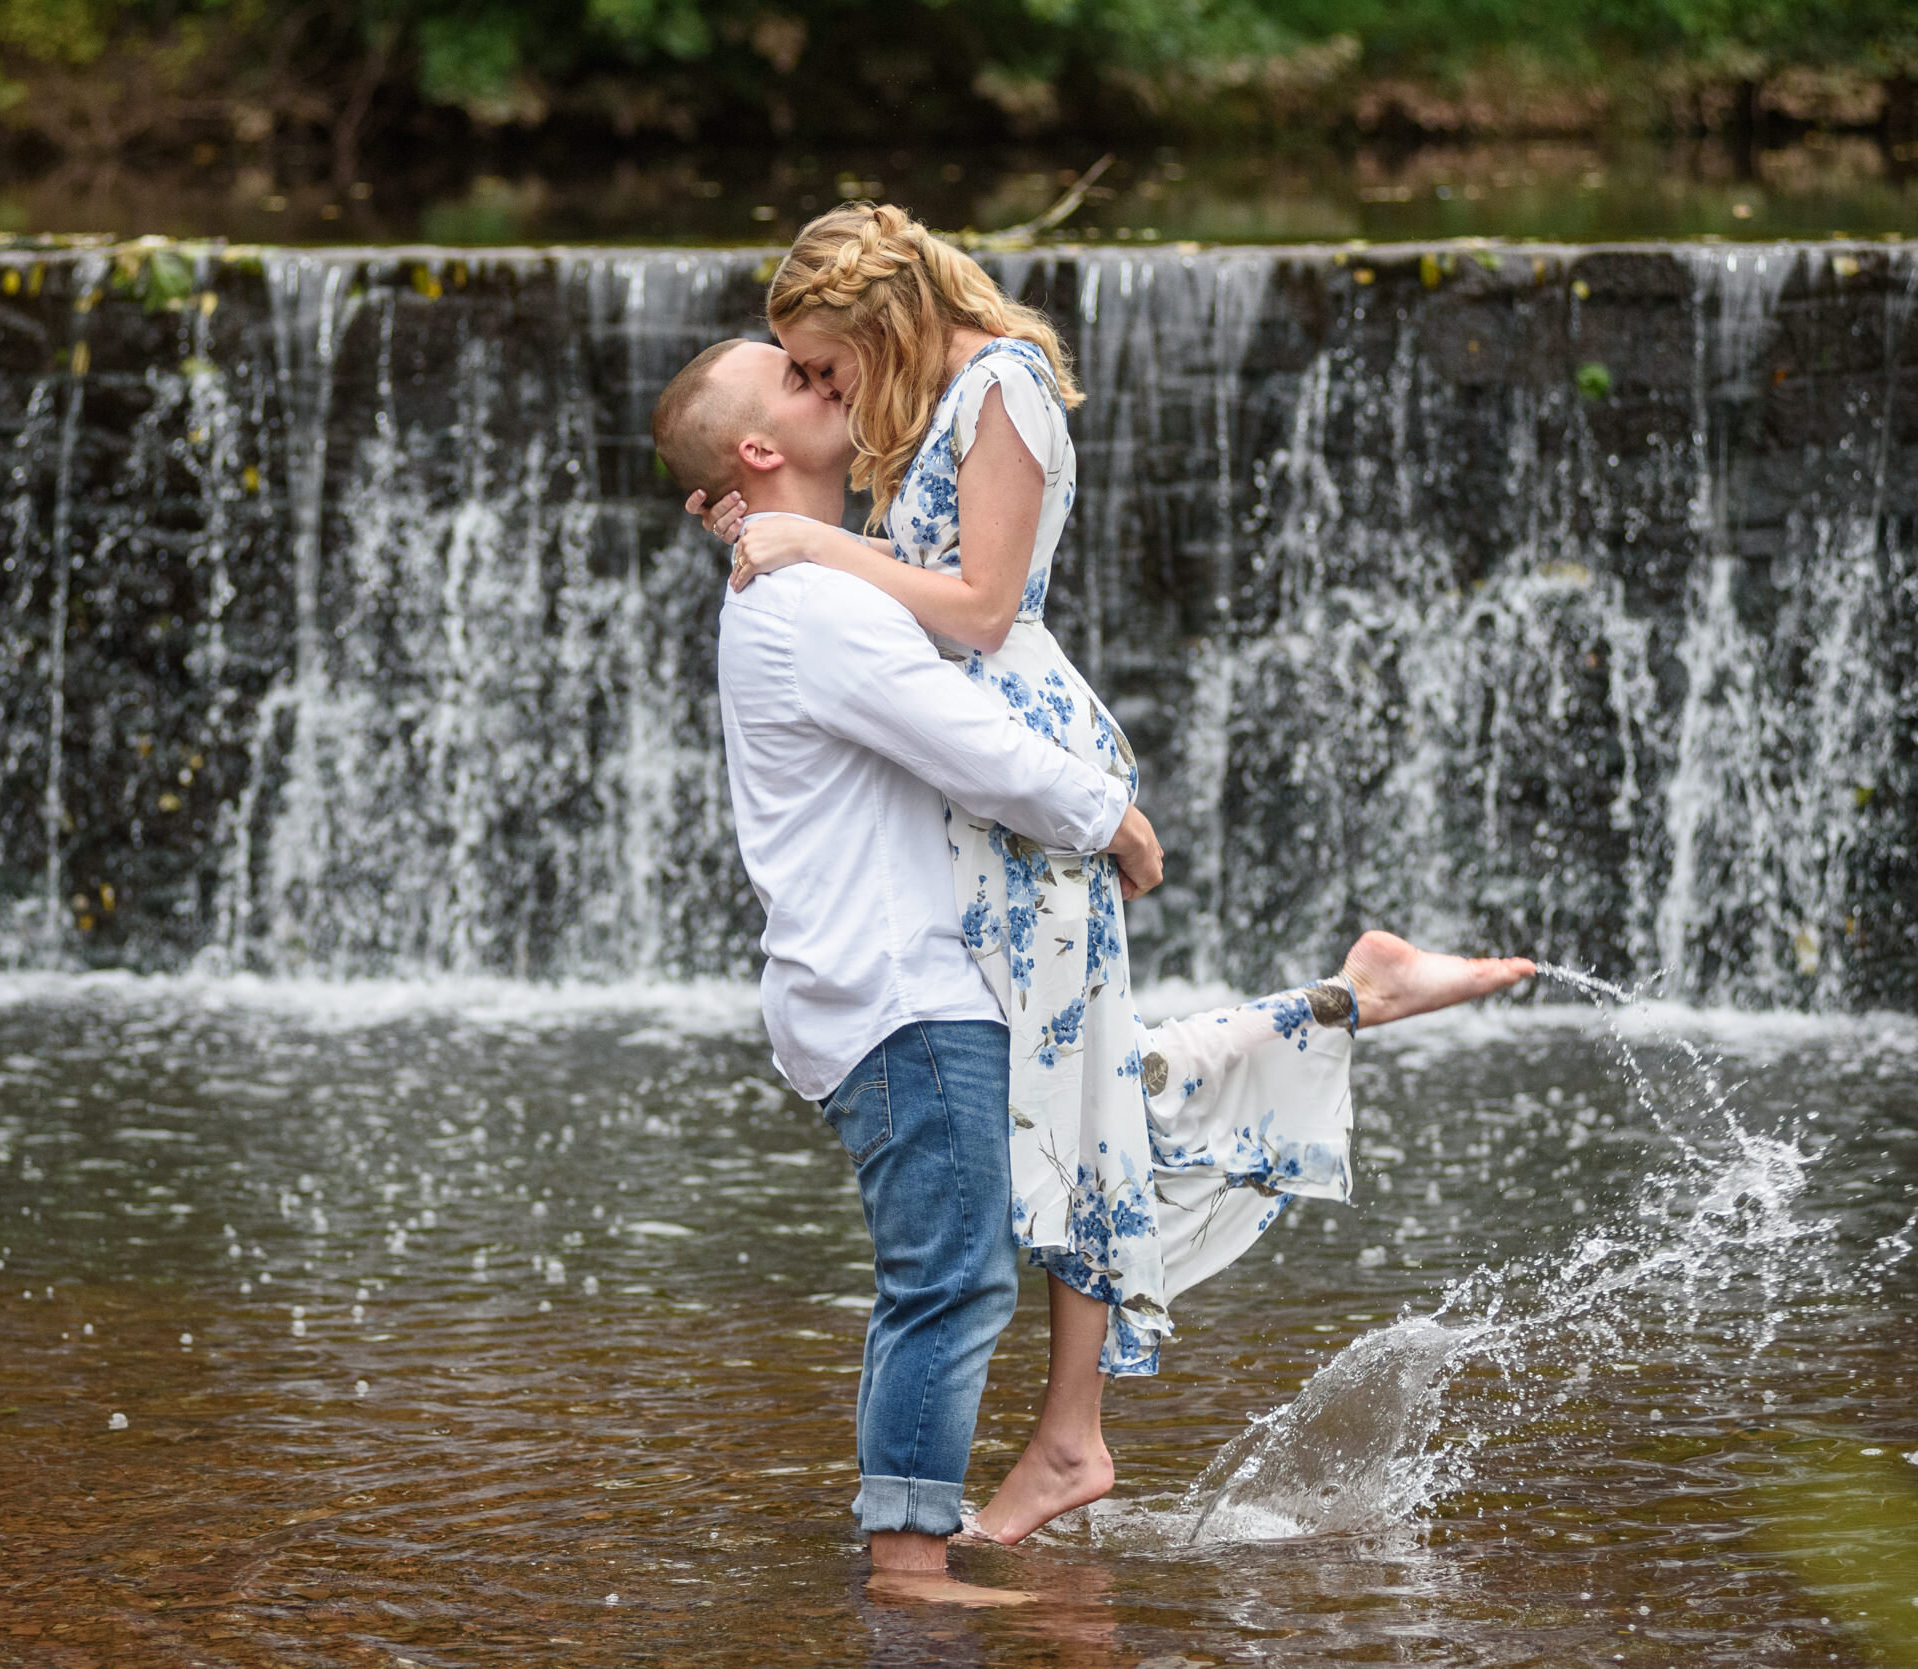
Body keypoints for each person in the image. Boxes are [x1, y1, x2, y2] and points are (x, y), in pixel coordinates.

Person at [654, 335, 1534, 1602]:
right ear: (756, 448)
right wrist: (1101, 810)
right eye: (796, 380)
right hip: (904, 998)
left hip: (954, 979)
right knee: (949, 1276)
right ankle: (906, 1561)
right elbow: (961, 737)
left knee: (1120, 1116)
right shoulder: (807, 601)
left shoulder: (828, 574)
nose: (826, 380)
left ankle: (1352, 1000)